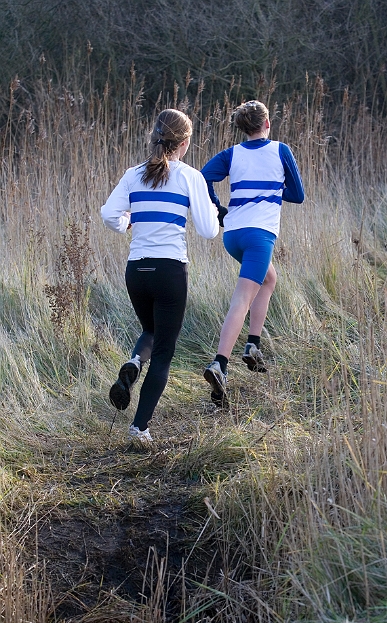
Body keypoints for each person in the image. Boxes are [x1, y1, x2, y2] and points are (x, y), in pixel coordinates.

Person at [101, 109, 219, 442]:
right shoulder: (190, 177)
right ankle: (139, 428)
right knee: (165, 351)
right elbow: (209, 231)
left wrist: (128, 224)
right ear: (184, 143)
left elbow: (109, 215)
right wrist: (211, 208)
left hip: (136, 270)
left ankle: (135, 362)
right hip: (169, 271)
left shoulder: (132, 174)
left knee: (151, 329)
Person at [201, 100, 304, 405]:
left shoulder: (231, 154)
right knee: (242, 298)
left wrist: (218, 209)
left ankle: (253, 346)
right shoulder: (281, 150)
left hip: (233, 234)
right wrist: (273, 188)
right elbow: (298, 195)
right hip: (260, 236)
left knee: (269, 279)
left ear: (243, 128)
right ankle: (220, 363)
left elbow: (203, 177)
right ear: (267, 124)